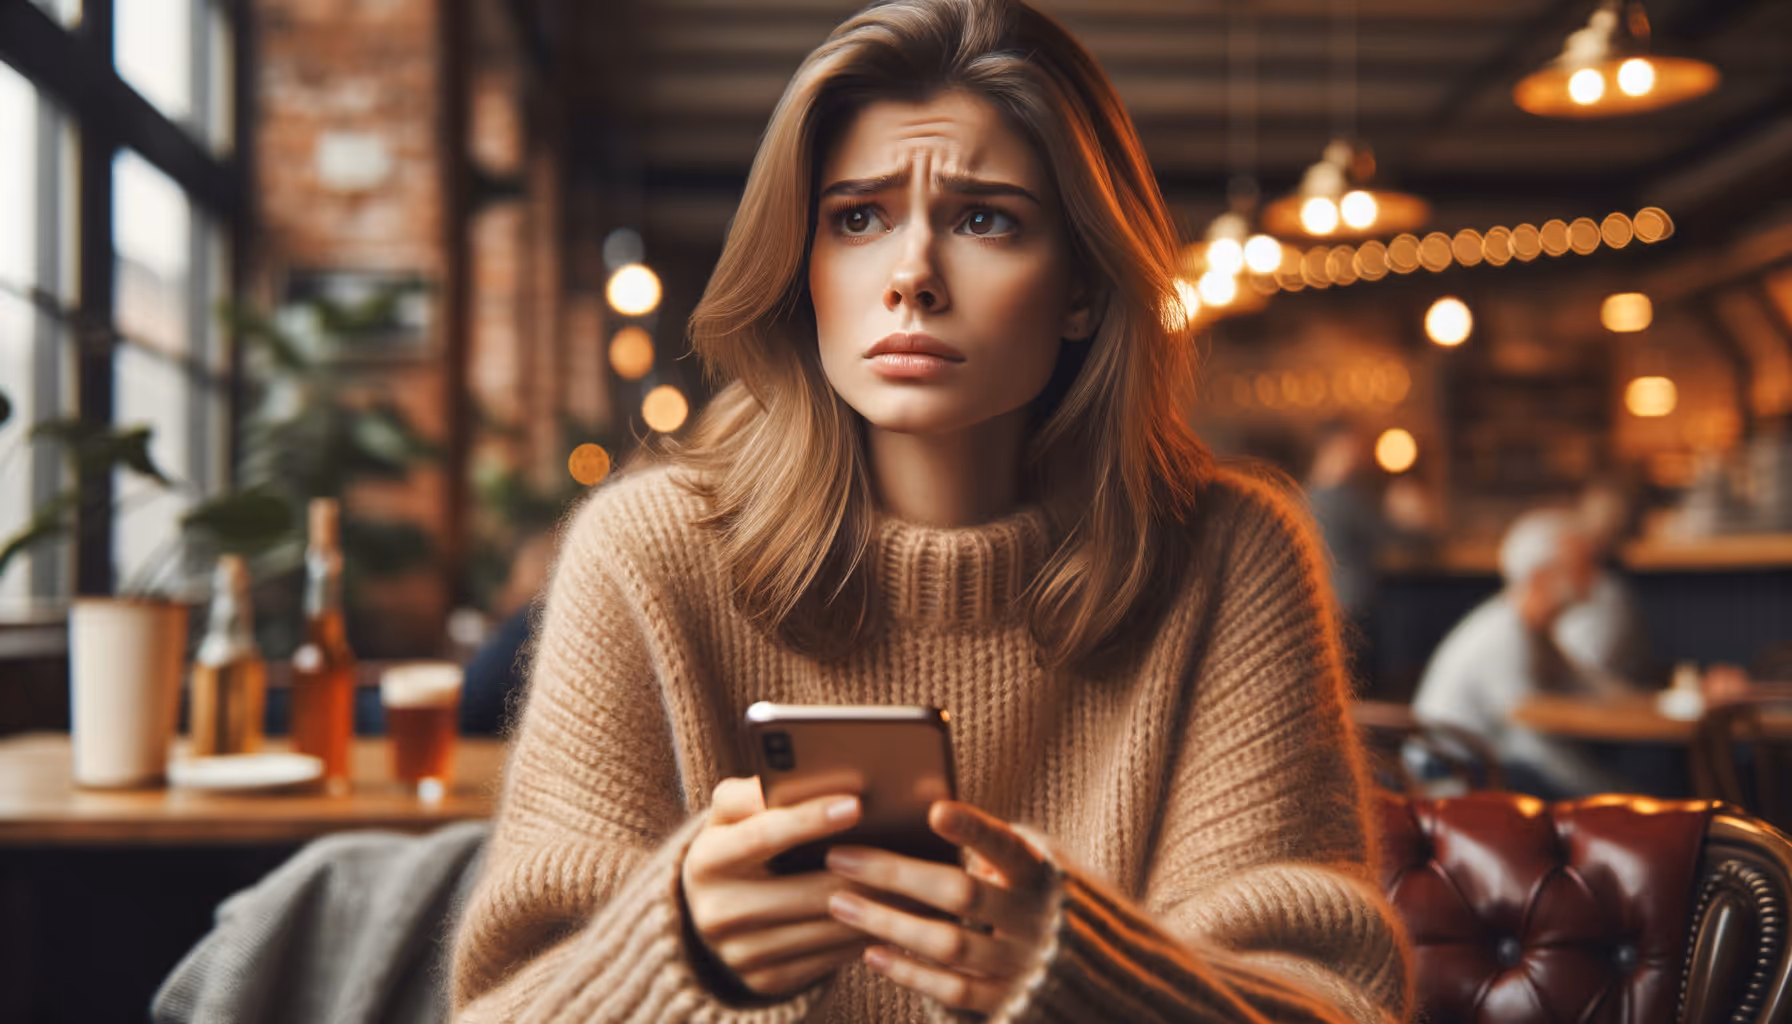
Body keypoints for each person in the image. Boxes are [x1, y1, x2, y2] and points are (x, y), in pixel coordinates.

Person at [449, 2, 1410, 1021]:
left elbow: (1324, 1003)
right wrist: (678, 954)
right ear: (801, 265)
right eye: (856, 217)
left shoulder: (1228, 559)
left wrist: (1081, 973)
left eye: (984, 218)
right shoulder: (645, 553)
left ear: (1082, 284)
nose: (910, 276)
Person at [1411, 509, 1638, 798]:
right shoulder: (1503, 637)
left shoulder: (1533, 630)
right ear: (1542, 577)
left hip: (1486, 765)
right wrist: (1610, 797)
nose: (1595, 577)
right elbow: (1532, 746)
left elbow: (1588, 687)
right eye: (1582, 565)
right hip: (1451, 773)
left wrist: (1659, 702)